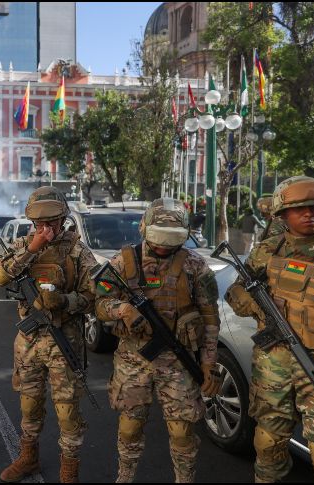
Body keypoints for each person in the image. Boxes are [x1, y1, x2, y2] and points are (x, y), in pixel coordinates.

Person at [226, 176, 314, 483]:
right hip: (272, 363)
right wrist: (254, 304)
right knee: (268, 443)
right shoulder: (267, 251)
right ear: (282, 215)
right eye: (300, 209)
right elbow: (236, 290)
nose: (311, 214)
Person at [95, 198, 222, 483]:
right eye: (159, 238)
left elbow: (210, 318)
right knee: (129, 427)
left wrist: (208, 364)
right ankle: (125, 477)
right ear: (145, 229)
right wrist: (123, 310)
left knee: (182, 432)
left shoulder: (195, 265)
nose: (164, 246)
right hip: (133, 359)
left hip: (179, 363)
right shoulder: (122, 262)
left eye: (171, 239)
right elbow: (100, 305)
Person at [0, 186, 99, 483]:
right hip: (28, 343)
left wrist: (66, 301)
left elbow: (95, 297)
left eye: (51, 222)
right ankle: (28, 458)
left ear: (62, 218)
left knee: (67, 411)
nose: (45, 228)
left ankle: (69, 470)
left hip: (65, 344)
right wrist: (32, 248)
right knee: (29, 403)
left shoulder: (77, 251)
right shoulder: (22, 245)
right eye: (39, 223)